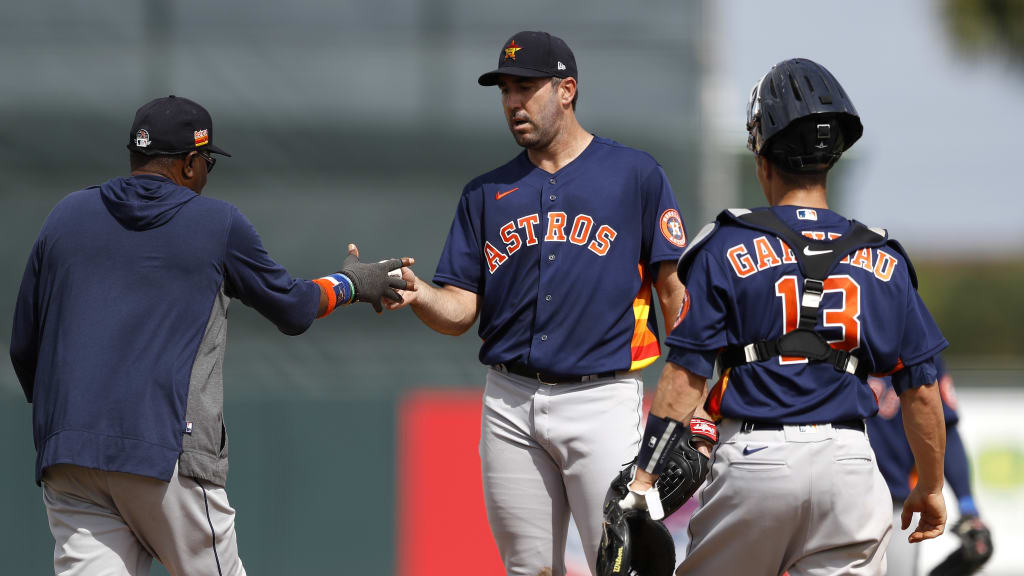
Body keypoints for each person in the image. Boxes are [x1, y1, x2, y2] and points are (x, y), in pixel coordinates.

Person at [9, 95, 411, 576]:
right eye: (208, 163)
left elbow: (23, 346)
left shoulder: (65, 217)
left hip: (70, 455)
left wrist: (77, 416)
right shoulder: (214, 223)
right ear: (191, 163)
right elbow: (295, 308)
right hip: (163, 453)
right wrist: (352, 283)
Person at [618, 58, 949, 575]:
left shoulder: (726, 244)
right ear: (831, 161)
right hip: (851, 467)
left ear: (761, 159)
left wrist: (643, 480)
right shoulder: (884, 256)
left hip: (757, 459)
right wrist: (930, 487)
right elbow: (922, 390)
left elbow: (686, 375)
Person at [387, 31, 689, 575]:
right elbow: (460, 309)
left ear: (567, 89)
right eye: (504, 90)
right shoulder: (485, 192)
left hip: (602, 399)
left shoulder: (635, 175)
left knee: (618, 566)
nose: (512, 103)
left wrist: (687, 403)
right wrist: (420, 294)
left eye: (525, 87)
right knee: (529, 570)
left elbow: (674, 295)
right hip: (509, 402)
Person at [868, 357, 993, 575]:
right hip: (828, 499)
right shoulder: (818, 335)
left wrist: (968, 505)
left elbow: (944, 430)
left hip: (895, 506)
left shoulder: (913, 340)